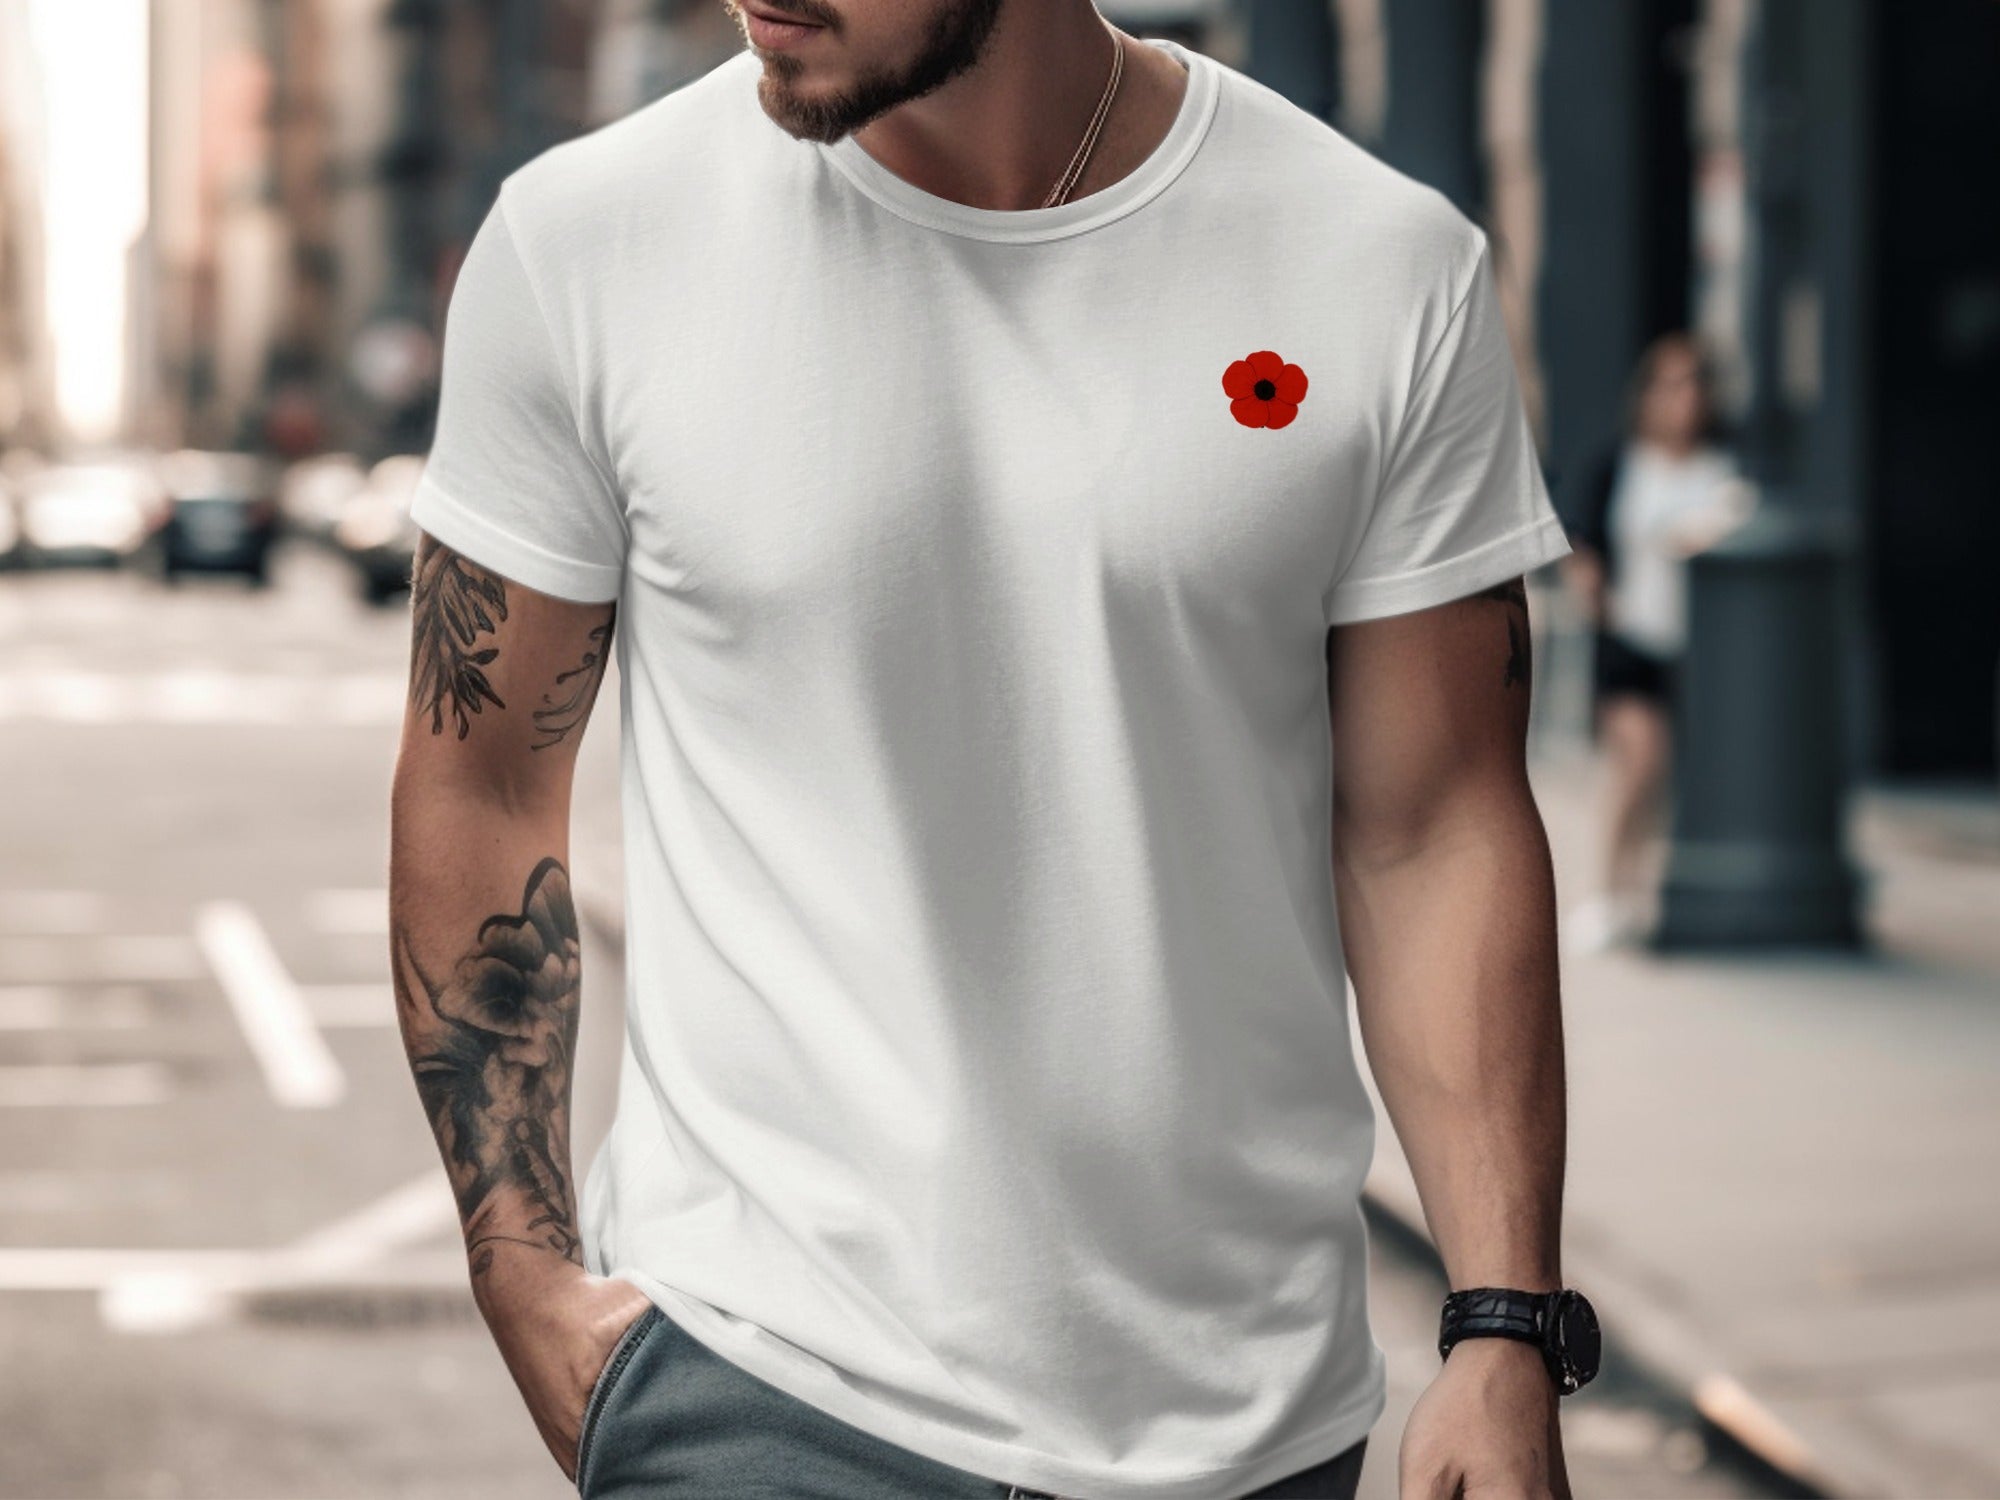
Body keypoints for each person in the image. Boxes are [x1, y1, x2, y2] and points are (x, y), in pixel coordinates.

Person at [387, 4, 1599, 1498]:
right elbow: (486, 778)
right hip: (755, 1388)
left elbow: (1438, 829)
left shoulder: (1377, 267)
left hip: (1249, 1428)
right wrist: (525, 1280)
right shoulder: (586, 245)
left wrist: (1502, 1331)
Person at [1555, 333, 1751, 953]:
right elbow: (1578, 534)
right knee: (1640, 761)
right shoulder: (1622, 462)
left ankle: (1650, 892)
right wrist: (1594, 592)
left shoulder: (1727, 469)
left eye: (1694, 383)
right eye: (1668, 384)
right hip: (1630, 638)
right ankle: (1608, 893)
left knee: (1675, 780)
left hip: (1702, 652)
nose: (1682, 398)